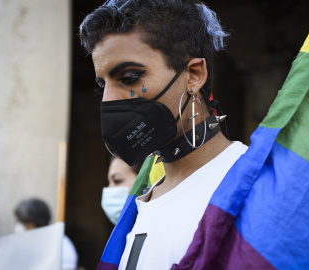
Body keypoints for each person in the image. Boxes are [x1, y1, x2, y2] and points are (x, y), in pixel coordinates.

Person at [80, 0, 248, 269]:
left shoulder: (250, 185)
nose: (108, 101)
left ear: (194, 75)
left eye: (129, 77)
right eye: (103, 86)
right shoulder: (139, 204)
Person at [14, 198, 79, 270]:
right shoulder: (27, 244)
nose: (20, 226)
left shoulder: (61, 243)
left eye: (23, 222)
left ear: (33, 224)